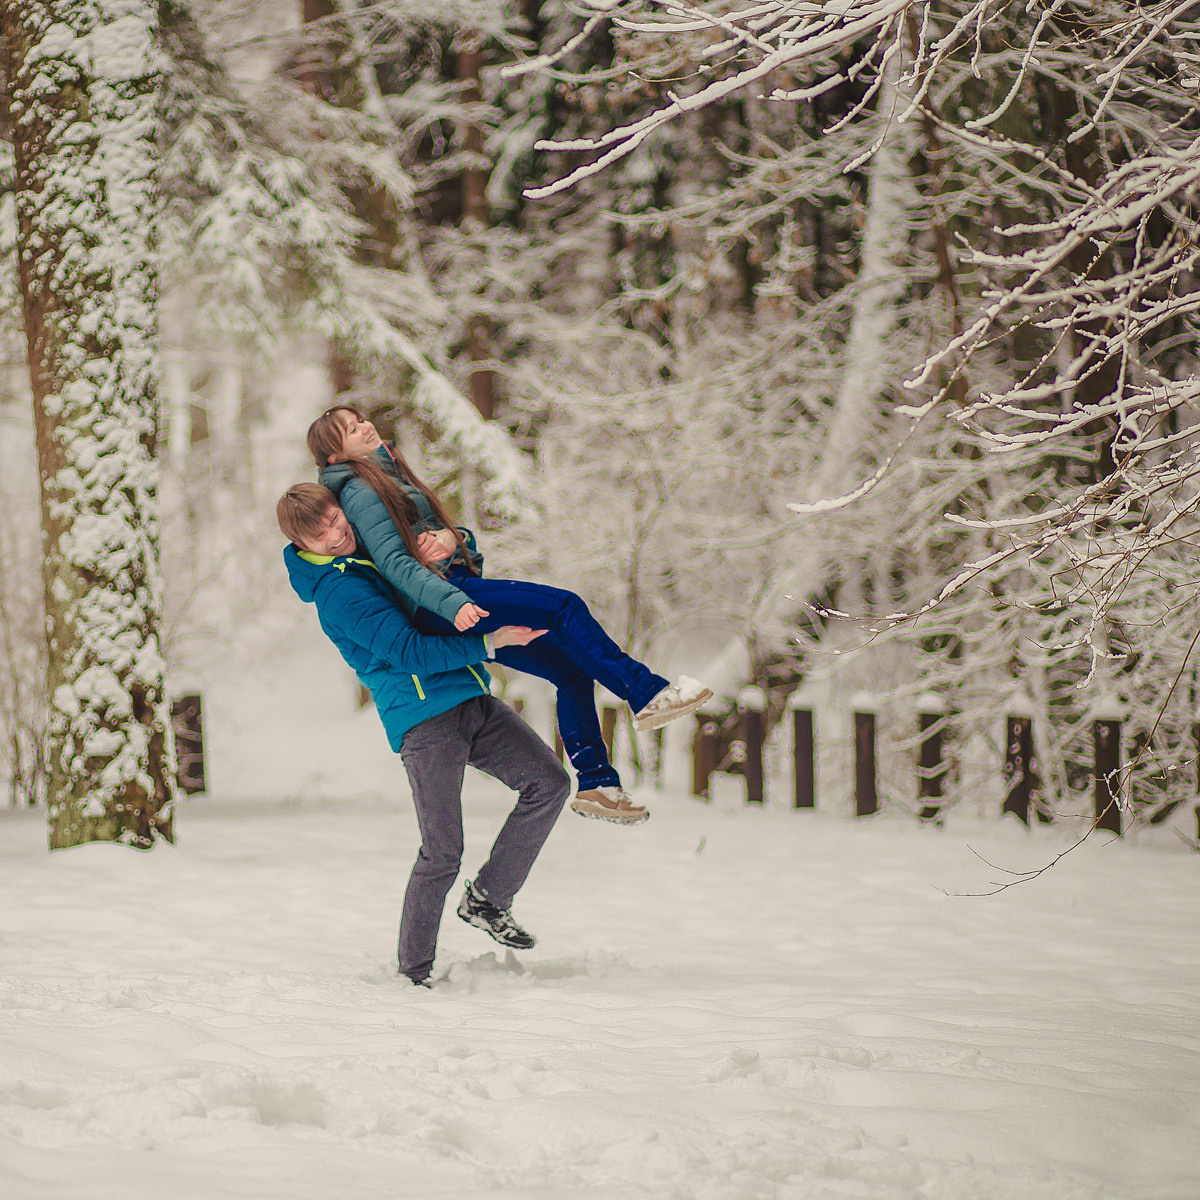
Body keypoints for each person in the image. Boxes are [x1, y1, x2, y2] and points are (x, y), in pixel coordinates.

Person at [306, 404, 713, 826]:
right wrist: (453, 602)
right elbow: (395, 564)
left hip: (452, 592)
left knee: (572, 672)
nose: (366, 428)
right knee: (564, 605)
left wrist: (453, 536)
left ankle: (596, 784)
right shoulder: (359, 490)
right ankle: (647, 694)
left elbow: (431, 541)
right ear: (335, 456)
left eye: (361, 421)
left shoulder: (384, 473)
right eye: (352, 431)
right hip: (447, 601)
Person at [277, 482, 571, 988]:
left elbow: (448, 570)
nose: (336, 533)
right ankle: (413, 974)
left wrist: (454, 538)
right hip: (423, 717)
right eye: (321, 533)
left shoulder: (371, 545)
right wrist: (490, 643)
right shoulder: (338, 592)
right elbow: (409, 652)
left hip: (470, 697)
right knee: (442, 849)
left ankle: (488, 899)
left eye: (335, 519)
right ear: (303, 544)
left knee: (549, 781)